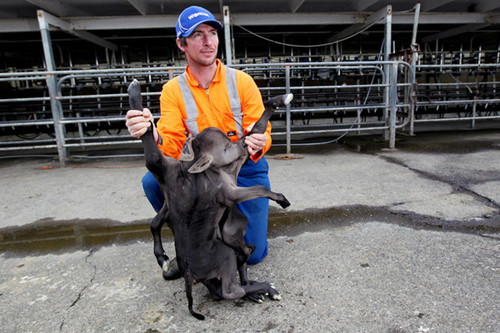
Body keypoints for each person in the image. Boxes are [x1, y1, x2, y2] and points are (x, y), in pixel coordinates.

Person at [125, 6, 272, 278]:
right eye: (197, 35)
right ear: (182, 44)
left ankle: (229, 223)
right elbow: (169, 144)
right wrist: (150, 133)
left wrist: (259, 139)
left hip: (244, 169)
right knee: (151, 181)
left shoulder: (242, 82)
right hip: (203, 173)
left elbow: (263, 131)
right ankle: (195, 237)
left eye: (212, 33)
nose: (208, 41)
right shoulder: (173, 91)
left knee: (253, 254)